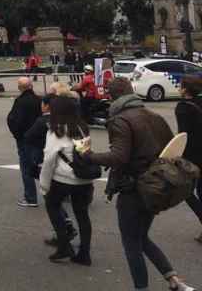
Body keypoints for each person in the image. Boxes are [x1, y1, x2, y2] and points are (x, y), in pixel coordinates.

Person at [84, 78, 194, 291]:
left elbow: (118, 157)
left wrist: (89, 156)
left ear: (112, 96)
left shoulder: (120, 120)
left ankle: (141, 288)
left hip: (134, 189)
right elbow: (172, 151)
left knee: (131, 242)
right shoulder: (154, 116)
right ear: (131, 92)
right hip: (157, 188)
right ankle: (174, 280)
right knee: (141, 236)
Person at [38, 91, 94, 265]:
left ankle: (64, 245)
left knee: (52, 206)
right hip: (84, 178)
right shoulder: (81, 127)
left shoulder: (56, 131)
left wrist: (44, 184)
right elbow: (85, 153)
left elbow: (49, 159)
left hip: (64, 178)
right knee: (82, 214)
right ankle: (84, 253)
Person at [7, 77, 42, 208]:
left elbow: (14, 120)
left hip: (25, 138)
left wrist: (17, 135)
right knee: (43, 165)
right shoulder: (39, 100)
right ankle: (58, 192)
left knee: (26, 167)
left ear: (20, 88)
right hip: (39, 138)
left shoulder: (20, 102)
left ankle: (31, 197)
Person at [177, 75, 202, 242]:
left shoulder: (183, 108)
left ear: (185, 89)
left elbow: (183, 136)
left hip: (193, 157)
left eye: (180, 86)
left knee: (184, 190)